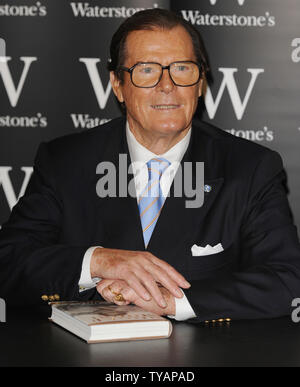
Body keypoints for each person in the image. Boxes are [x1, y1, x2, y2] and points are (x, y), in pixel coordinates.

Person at [0, 9, 300, 323]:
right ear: (117, 84)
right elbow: (8, 262)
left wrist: (175, 301)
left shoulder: (250, 168)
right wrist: (99, 261)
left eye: (182, 68)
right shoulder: (65, 162)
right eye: (147, 70)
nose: (167, 85)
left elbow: (289, 278)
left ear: (200, 83)